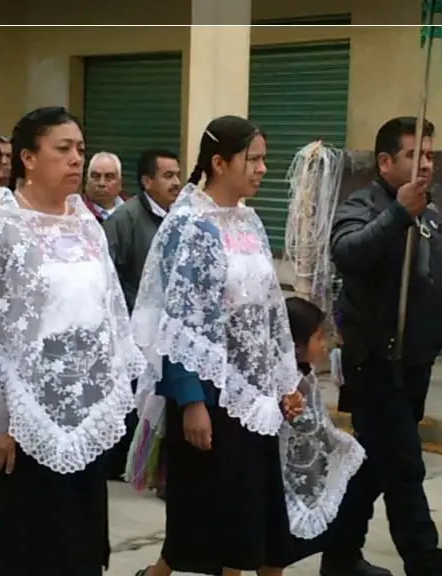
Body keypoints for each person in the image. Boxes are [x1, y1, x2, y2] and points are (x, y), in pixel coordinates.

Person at [0, 106, 142, 576]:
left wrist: (107, 395)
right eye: (63, 149)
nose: (77, 159)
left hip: (77, 409)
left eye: (80, 149)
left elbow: (107, 316)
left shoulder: (87, 225)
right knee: (15, 549)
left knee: (74, 547)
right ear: (28, 158)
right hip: (11, 421)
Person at [131, 115, 304, 576]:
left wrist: (285, 380)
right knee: (214, 526)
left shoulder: (248, 221)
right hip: (211, 398)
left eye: (264, 159)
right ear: (219, 163)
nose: (263, 168)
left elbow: (268, 310)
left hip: (254, 394)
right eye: (254, 159)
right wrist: (191, 402)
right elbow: (177, 321)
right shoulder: (190, 225)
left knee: (255, 522)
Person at [324, 117, 442, 576]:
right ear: (385, 162)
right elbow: (348, 253)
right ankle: (427, 566)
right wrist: (398, 214)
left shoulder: (432, 215)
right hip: (375, 363)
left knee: (372, 464)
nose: (424, 164)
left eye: (429, 155)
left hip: (416, 363)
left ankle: (340, 556)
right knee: (405, 468)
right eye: (413, 155)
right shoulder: (363, 206)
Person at [101, 148, 182, 482]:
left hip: (170, 329)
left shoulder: (179, 216)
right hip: (138, 329)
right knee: (137, 401)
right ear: (147, 181)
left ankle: (154, 467)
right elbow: (108, 277)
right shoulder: (125, 219)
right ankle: (129, 465)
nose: (176, 182)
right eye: (167, 176)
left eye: (177, 175)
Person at [268, 296, 365, 571]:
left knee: (275, 553)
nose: (325, 344)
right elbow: (304, 426)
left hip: (288, 476)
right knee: (274, 550)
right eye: (318, 337)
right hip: (277, 479)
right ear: (296, 345)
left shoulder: (304, 374)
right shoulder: (285, 381)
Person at [84, 151, 127, 222]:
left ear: (120, 182)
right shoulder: (76, 212)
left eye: (109, 177)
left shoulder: (134, 211)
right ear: (87, 180)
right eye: (96, 176)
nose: (102, 183)